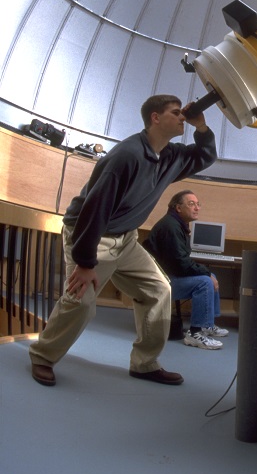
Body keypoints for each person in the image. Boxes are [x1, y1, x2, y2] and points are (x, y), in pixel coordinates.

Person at [29, 94, 217, 387]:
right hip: (91, 234)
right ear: (155, 118)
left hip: (125, 238)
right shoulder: (126, 155)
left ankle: (144, 364)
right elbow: (95, 209)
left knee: (159, 290)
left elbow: (205, 156)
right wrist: (85, 262)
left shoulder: (171, 156)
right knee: (81, 302)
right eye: (176, 113)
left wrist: (201, 127)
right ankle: (42, 356)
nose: (182, 117)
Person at [144, 190, 228, 350]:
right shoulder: (171, 227)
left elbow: (180, 262)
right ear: (178, 208)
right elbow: (180, 263)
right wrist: (206, 273)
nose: (197, 208)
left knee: (210, 276)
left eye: (198, 204)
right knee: (205, 282)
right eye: (191, 204)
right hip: (160, 283)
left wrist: (208, 273)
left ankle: (207, 325)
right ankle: (195, 333)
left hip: (167, 276)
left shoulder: (176, 225)